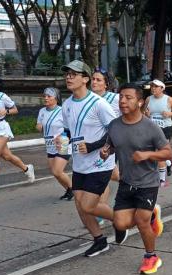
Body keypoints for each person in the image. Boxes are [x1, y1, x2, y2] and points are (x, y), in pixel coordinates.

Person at [99, 83, 172, 274]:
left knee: (141, 221)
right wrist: (106, 151)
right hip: (126, 181)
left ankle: (151, 257)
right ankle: (153, 214)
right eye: (121, 97)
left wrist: (148, 155)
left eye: (128, 97)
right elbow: (112, 143)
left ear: (139, 102)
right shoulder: (114, 125)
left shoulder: (150, 127)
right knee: (120, 223)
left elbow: (167, 152)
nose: (123, 101)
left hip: (148, 182)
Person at [59, 60, 119, 256]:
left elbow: (116, 131)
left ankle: (122, 221)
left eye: (73, 74)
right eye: (67, 74)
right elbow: (68, 130)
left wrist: (93, 146)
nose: (68, 77)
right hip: (80, 163)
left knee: (88, 205)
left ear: (85, 79)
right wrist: (64, 139)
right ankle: (99, 240)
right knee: (79, 204)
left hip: (101, 162)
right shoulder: (67, 104)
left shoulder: (98, 104)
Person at [36, 87, 73, 200]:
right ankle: (69, 190)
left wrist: (62, 136)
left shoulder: (63, 111)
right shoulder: (42, 111)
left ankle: (73, 189)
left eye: (49, 96)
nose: (46, 98)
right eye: (45, 96)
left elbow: (70, 127)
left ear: (56, 98)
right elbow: (39, 126)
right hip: (49, 144)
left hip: (63, 142)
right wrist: (38, 126)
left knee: (57, 171)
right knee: (55, 173)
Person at [144, 79, 172, 185]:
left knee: (159, 152)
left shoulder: (168, 100)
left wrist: (169, 114)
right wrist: (146, 114)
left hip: (165, 128)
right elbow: (144, 113)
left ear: (162, 88)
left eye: (156, 87)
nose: (153, 89)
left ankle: (162, 180)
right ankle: (169, 163)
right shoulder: (148, 99)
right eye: (152, 87)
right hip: (152, 129)